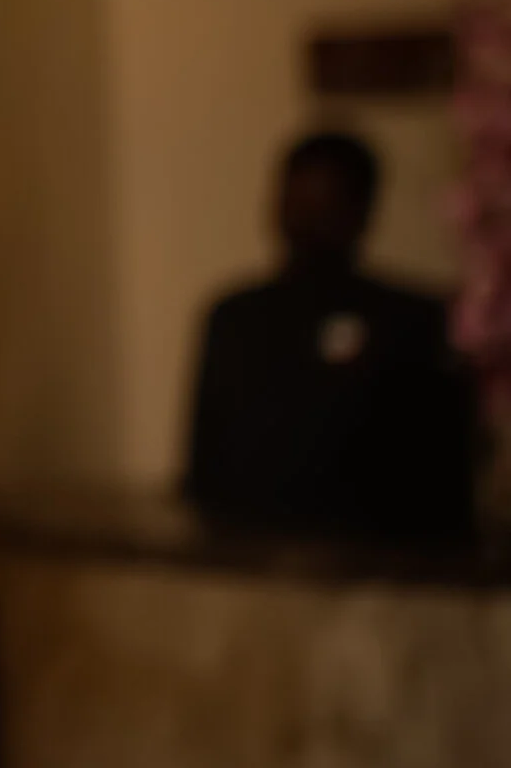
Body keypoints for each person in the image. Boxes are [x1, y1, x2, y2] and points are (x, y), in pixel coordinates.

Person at [183, 128, 478, 545]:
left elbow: (443, 483)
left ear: (362, 210)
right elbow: (204, 467)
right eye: (298, 200)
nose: (306, 219)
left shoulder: (411, 322)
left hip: (381, 571)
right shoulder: (234, 319)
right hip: (246, 567)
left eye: (325, 204)